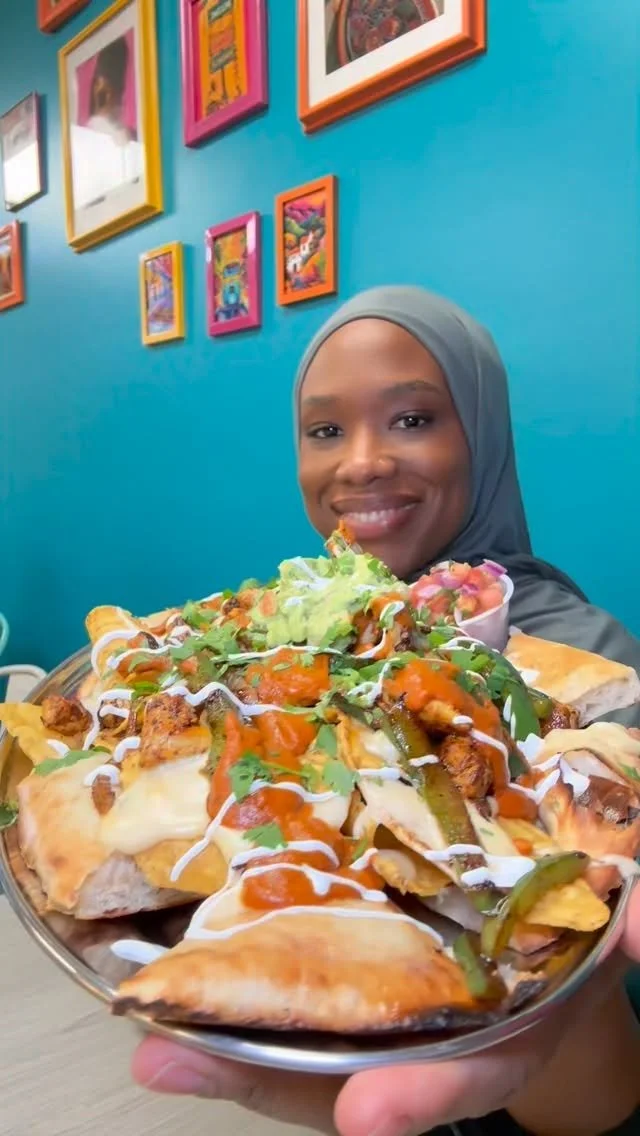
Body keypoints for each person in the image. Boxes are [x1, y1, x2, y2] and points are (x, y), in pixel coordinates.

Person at [130, 287, 640, 1134]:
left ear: (483, 435)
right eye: (326, 430)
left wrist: (553, 1013)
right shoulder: (285, 651)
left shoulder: (590, 666)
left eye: (411, 419)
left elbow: (601, 1098)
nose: (360, 462)